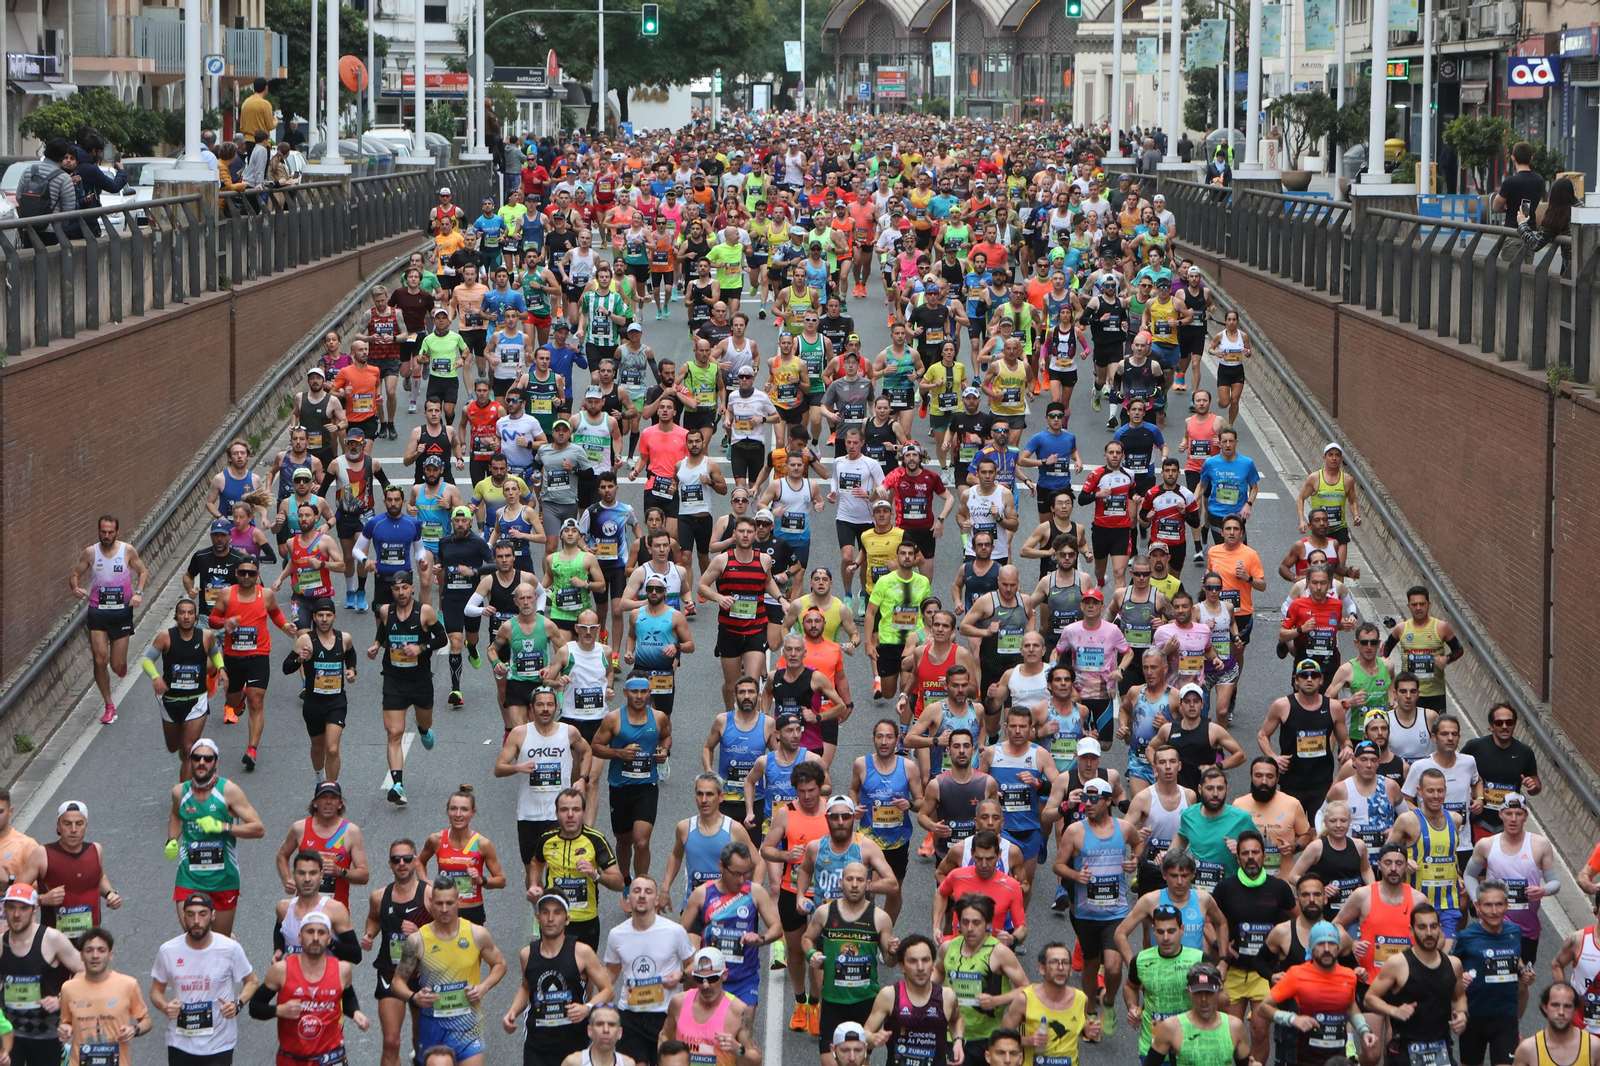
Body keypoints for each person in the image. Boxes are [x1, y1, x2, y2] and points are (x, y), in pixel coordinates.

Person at [1054, 778, 1143, 1032]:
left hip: (1116, 911)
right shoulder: (1075, 831)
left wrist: (1134, 860)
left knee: (1114, 968)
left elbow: (1137, 843)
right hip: (1086, 912)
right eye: (1084, 798)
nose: (1088, 804)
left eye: (1093, 799)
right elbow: (1057, 865)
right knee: (1091, 965)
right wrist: (1075, 876)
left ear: (1107, 800)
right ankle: (1091, 1010)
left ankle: (1110, 1001)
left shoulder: (1124, 828)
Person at [391, 877, 509, 1066]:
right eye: (439, 903)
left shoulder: (476, 934)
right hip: (434, 1028)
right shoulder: (417, 940)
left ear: (459, 902)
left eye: (449, 903)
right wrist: (414, 997)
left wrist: (483, 987)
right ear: (431, 903)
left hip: (469, 1027)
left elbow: (500, 964)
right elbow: (397, 981)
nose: (444, 909)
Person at [499, 893, 614, 1066]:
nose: (550, 918)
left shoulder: (582, 952)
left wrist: (587, 1008)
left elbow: (608, 990)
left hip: (574, 1043)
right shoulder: (527, 954)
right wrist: (513, 1012)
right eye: (545, 912)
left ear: (567, 919)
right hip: (537, 1044)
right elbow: (526, 988)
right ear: (538, 918)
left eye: (557, 912)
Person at [1211, 830, 1297, 1059]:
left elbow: (1299, 921)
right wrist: (1216, 943)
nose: (1251, 857)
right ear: (1237, 858)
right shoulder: (1225, 888)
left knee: (1260, 1031)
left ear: (1264, 856)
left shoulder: (1279, 888)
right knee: (1231, 1032)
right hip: (1233, 972)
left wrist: (1286, 945)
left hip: (1264, 973)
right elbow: (1208, 921)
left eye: (1255, 852)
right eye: (1245, 853)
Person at [367, 571, 448, 806]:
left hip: (420, 680)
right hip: (394, 679)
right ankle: (397, 785)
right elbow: (383, 632)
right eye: (396, 589)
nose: (400, 593)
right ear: (392, 591)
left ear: (412, 588)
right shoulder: (385, 611)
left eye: (404, 588)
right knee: (394, 732)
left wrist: (422, 647)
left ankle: (423, 731)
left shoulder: (424, 612)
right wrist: (375, 645)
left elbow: (442, 639)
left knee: (425, 722)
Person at [801, 861, 899, 1054]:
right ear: (841, 883)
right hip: (832, 999)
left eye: (860, 880)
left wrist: (894, 952)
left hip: (866, 1001)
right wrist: (811, 954)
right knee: (829, 1058)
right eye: (850, 879)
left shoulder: (880, 918)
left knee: (860, 1059)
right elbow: (807, 938)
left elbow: (889, 961)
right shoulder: (825, 912)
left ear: (868, 884)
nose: (854, 884)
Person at [150, 891, 258, 1066]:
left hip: (219, 1042)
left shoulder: (230, 948)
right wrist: (165, 1006)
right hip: (180, 1041)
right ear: (183, 916)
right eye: (191, 914)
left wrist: (237, 1004)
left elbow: (252, 981)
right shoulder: (168, 950)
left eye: (202, 914)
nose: (197, 921)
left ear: (213, 915)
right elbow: (156, 990)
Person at [604, 876, 695, 1066]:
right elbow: (611, 971)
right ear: (628, 899)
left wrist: (681, 976)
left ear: (656, 900)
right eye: (636, 891)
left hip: (665, 1014)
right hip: (630, 1014)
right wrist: (596, 998)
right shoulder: (616, 934)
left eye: (648, 891)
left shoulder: (674, 931)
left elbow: (693, 963)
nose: (642, 896)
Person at [1255, 920, 1374, 1066]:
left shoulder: (1348, 976)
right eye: (1320, 943)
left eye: (1331, 943)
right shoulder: (1296, 974)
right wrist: (1292, 1019)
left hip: (1336, 1058)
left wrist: (1364, 1030)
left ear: (1338, 948)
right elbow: (1263, 1008)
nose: (1326, 949)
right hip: (1304, 1058)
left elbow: (1350, 1006)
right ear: (1311, 948)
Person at [1362, 903, 1469, 1066]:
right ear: (1411, 930)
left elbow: (1460, 997)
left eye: (1433, 927)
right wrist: (1393, 1010)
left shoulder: (1453, 964)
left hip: (1441, 1050)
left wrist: (1462, 1015)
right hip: (1405, 1050)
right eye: (1422, 927)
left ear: (1440, 928)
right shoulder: (1398, 964)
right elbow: (1369, 999)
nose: (1428, 933)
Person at [593, 675, 675, 882]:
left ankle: (641, 884)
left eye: (643, 692)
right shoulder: (613, 719)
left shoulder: (658, 717)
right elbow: (595, 746)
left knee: (641, 842)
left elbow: (666, 736)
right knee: (623, 840)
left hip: (646, 786)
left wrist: (664, 750)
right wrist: (619, 753)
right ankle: (626, 879)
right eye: (634, 692)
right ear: (625, 693)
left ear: (649, 693)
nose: (639, 696)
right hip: (620, 787)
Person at [70, 516, 150, 725]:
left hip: (121, 613)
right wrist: (75, 587)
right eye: (103, 532)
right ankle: (109, 705)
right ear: (99, 531)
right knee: (99, 659)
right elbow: (75, 574)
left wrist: (138, 593)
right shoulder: (90, 552)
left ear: (117, 532)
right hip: (98, 612)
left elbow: (142, 571)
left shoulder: (127, 551)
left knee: (116, 665)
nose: (106, 536)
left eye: (110, 532)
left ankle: (120, 667)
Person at [362, 839, 433, 1066]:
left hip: (423, 974)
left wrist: (420, 932)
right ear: (390, 864)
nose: (401, 863)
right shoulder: (379, 896)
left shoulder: (430, 895)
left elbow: (448, 931)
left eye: (407, 858)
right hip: (390, 973)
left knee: (422, 1039)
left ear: (416, 861)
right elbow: (374, 918)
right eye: (396, 859)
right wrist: (370, 934)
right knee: (391, 1041)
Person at [863, 933, 963, 1066]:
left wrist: (958, 1041)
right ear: (902, 966)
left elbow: (956, 1019)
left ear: (933, 963)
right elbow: (865, 1033)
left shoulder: (946, 996)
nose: (920, 967)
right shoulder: (890, 995)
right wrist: (874, 1038)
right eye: (913, 961)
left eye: (926, 960)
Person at [56, 925, 150, 1066]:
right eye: (89, 950)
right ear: (81, 955)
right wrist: (64, 1029)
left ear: (110, 955)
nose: (95, 955)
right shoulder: (68, 988)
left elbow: (147, 1021)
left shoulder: (128, 985)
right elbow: (65, 1022)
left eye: (101, 950)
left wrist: (134, 1030)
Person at [1001, 941, 1100, 1062]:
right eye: (1054, 962)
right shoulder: (1025, 999)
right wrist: (1029, 1041)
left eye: (1065, 962)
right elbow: (1001, 1038)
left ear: (1071, 970)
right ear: (1042, 968)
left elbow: (1075, 1026)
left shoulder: (1081, 998)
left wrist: (1086, 1030)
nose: (1060, 967)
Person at [658, 947, 758, 1066]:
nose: (705, 986)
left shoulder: (738, 1010)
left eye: (712, 979)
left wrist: (738, 1050)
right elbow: (664, 1036)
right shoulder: (679, 1003)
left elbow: (756, 1060)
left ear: (724, 975)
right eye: (699, 979)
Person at [1461, 704, 1541, 841]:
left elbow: (1536, 786)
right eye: (1499, 722)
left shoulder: (1524, 752)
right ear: (1491, 726)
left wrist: (1533, 786)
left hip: (1509, 824)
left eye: (1509, 722)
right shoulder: (1475, 747)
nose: (1504, 726)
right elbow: (1457, 772)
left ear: (1514, 725)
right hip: (1479, 821)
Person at [1509, 983, 1600, 1066]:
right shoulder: (1528, 1050)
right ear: (1545, 1007)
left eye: (1567, 1006)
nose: (1561, 1012)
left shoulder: (1594, 1047)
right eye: (1555, 1005)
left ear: (1575, 1010)